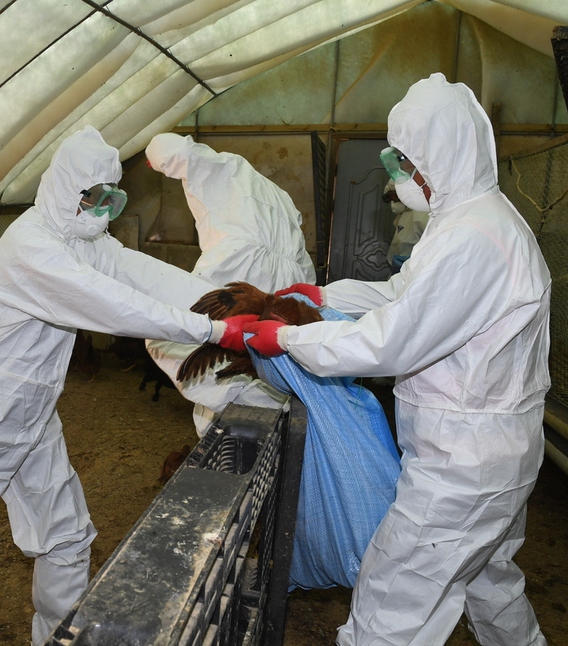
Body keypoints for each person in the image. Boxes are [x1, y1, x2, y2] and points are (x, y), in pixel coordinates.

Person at [0, 126, 247, 646]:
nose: (104, 210)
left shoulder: (83, 239)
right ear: (65, 190)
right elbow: (114, 304)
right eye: (95, 198)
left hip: (32, 420)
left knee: (68, 539)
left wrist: (228, 302)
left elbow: (143, 276)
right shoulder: (33, 248)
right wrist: (214, 331)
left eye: (113, 199)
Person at [227, 73, 551, 645]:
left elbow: (392, 339)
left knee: (390, 607)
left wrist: (287, 340)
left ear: (441, 156)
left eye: (404, 162)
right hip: (493, 454)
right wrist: (323, 296)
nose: (397, 176)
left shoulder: (474, 238)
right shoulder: (470, 221)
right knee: (491, 586)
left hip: (463, 467)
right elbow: (405, 298)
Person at [144, 133, 317, 435]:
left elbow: (169, 150)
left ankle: (243, 401)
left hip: (239, 260)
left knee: (167, 330)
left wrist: (151, 157)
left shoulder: (222, 167)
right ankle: (270, 404)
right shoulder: (278, 194)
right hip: (292, 271)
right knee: (276, 346)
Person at [382, 178, 430, 274]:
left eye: (396, 197)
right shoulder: (404, 215)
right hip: (402, 272)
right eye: (390, 198)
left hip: (414, 272)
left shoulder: (421, 214)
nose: (393, 202)